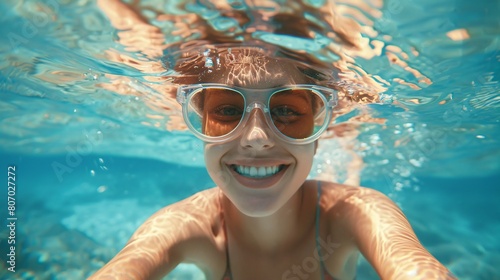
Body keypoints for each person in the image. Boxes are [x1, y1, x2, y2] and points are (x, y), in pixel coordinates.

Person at [90, 46, 456, 280]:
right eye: (228, 111)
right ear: (202, 131)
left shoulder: (357, 211)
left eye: (285, 112)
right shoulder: (188, 225)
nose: (255, 137)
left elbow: (412, 266)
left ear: (318, 134)